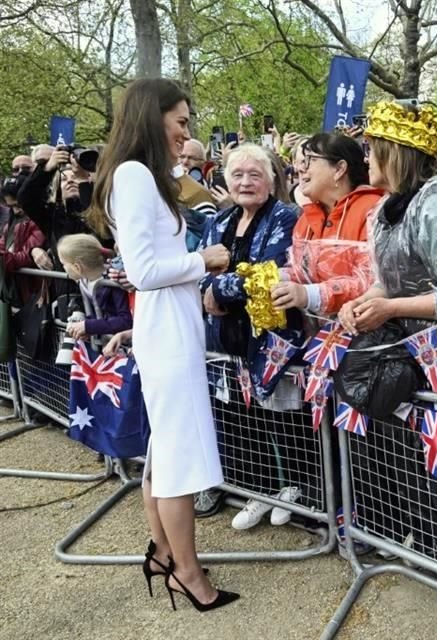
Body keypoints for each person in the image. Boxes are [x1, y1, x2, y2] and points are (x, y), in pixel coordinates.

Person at [336, 100, 437, 640]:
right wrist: (363, 303)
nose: (364, 155)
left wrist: (390, 309)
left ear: (395, 152)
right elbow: (391, 281)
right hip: (422, 359)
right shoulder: (387, 209)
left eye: (372, 146)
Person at [85, 77, 237, 611]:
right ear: (154, 119)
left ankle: (165, 555)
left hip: (170, 326)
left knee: (161, 453)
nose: (185, 132)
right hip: (166, 330)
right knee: (176, 458)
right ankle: (189, 575)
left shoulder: (142, 176)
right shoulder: (133, 175)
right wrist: (206, 259)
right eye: (180, 122)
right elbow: (144, 271)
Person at [198, 143, 299, 360]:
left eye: (255, 175)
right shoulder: (218, 221)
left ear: (269, 182)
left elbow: (268, 274)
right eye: (237, 175)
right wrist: (211, 285)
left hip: (266, 347)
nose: (245, 183)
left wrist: (217, 287)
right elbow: (198, 272)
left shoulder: (284, 217)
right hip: (219, 347)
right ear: (227, 181)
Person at [270, 132, 384, 316]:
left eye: (309, 160)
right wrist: (271, 277)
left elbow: (374, 283)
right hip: (318, 335)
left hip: (364, 333)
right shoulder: (306, 219)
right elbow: (301, 272)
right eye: (300, 161)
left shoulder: (373, 210)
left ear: (339, 169)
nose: (300, 168)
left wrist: (309, 295)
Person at [58, 234, 132, 340]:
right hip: (107, 341)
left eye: (64, 264)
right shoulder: (84, 282)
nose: (63, 267)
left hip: (123, 343)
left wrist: (89, 326)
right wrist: (86, 329)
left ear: (77, 267)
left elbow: (125, 321)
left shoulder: (113, 281)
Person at [0, 176, 44, 306]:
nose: (16, 210)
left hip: (35, 295)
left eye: (19, 205)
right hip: (17, 294)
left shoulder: (41, 221)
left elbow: (24, 258)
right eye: (11, 206)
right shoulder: (10, 224)